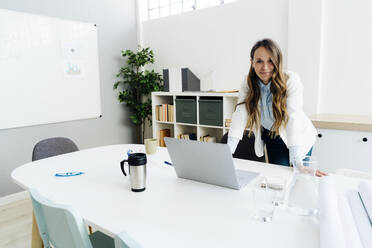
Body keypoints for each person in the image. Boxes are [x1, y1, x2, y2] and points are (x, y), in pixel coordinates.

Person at [228, 38, 327, 177]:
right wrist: (228, 152)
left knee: (300, 177)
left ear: (278, 61)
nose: (265, 67)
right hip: (272, 137)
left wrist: (298, 162)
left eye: (270, 60)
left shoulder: (291, 80)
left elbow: (292, 118)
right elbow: (240, 113)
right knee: (280, 178)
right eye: (259, 61)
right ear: (252, 62)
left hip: (297, 136)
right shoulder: (248, 82)